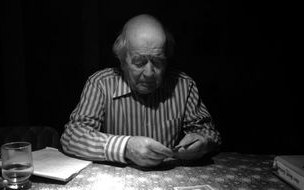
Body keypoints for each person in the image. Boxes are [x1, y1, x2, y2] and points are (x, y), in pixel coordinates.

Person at [61, 14, 221, 167]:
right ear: (123, 61)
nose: (150, 73)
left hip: (170, 181)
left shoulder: (184, 86)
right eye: (139, 62)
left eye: (158, 62)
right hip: (114, 183)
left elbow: (211, 134)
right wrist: (125, 147)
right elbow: (71, 137)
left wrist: (202, 141)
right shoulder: (100, 84)